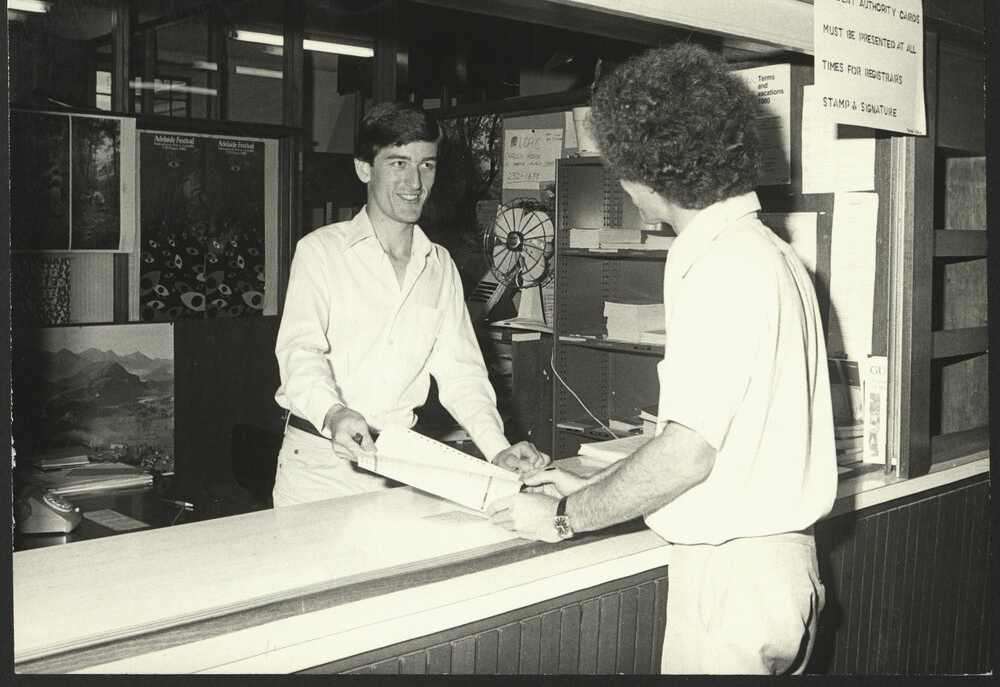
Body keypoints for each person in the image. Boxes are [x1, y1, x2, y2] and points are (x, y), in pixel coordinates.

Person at [486, 44, 838, 674]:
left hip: (730, 583)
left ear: (648, 172)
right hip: (779, 572)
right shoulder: (768, 252)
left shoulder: (721, 266)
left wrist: (565, 516)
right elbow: (730, 440)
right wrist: (593, 486)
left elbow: (687, 453)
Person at [273, 101, 549, 505]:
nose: (415, 182)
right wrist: (334, 413)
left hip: (398, 463)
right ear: (364, 168)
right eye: (398, 163)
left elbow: (462, 375)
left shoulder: (440, 266)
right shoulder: (321, 252)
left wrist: (497, 449)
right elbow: (300, 352)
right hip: (319, 464)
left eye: (426, 165)